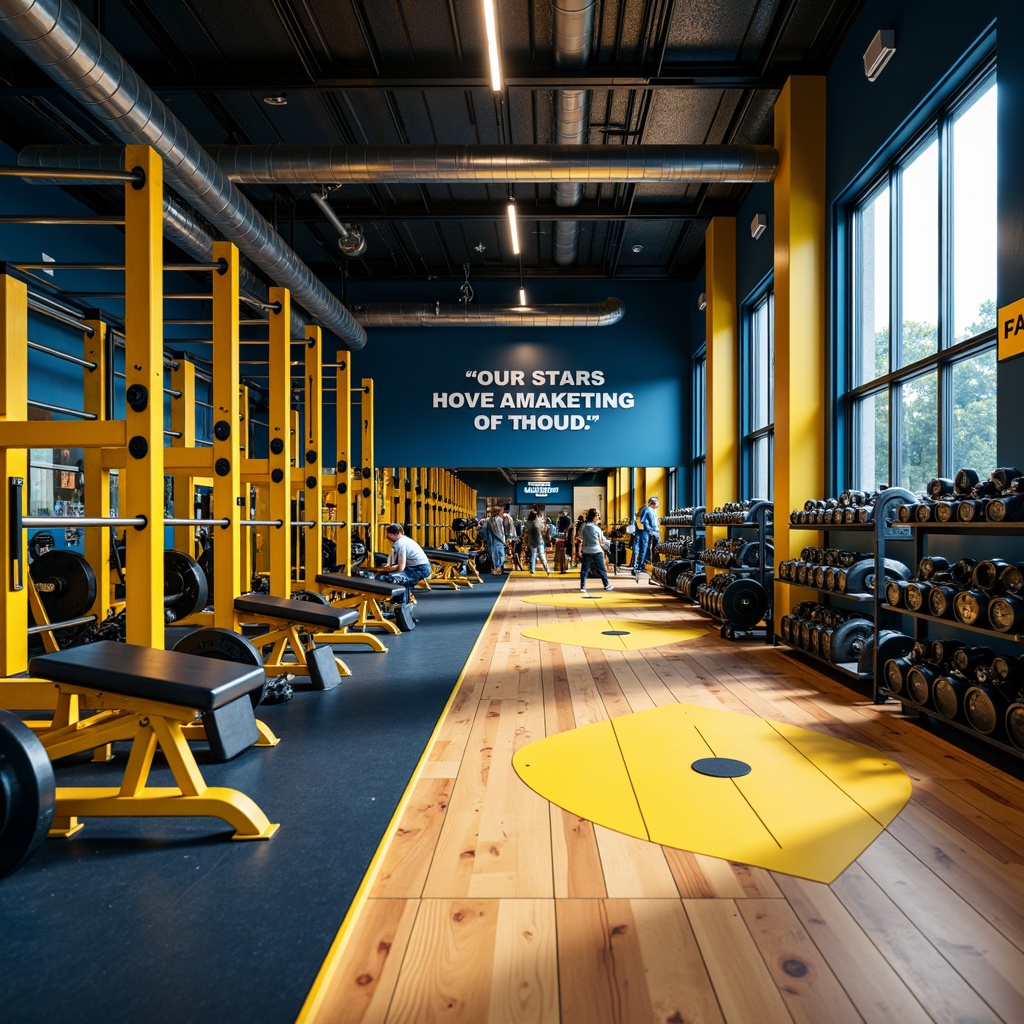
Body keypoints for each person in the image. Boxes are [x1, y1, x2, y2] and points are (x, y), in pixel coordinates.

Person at [365, 524, 432, 603]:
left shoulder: (401, 544)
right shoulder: (403, 540)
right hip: (417, 568)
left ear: (393, 534)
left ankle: (401, 604)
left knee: (390, 578)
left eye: (387, 534)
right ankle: (400, 602)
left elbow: (401, 568)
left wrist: (383, 570)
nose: (387, 536)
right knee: (394, 576)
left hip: (419, 569)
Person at [578, 508, 613, 595]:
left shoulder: (583, 527)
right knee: (601, 569)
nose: (598, 517)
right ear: (593, 517)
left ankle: (582, 587)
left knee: (584, 569)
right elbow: (601, 541)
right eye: (597, 516)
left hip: (586, 551)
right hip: (597, 551)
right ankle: (607, 585)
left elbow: (581, 537)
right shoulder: (597, 528)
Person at [631, 496, 661, 577]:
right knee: (642, 549)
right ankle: (639, 567)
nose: (656, 507)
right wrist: (652, 529)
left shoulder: (647, 510)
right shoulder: (648, 510)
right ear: (653, 504)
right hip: (644, 532)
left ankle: (639, 566)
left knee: (643, 549)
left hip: (645, 532)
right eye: (656, 505)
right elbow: (643, 521)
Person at [524, 510, 552, 575]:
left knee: (533, 555)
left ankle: (532, 569)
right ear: (535, 516)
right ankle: (547, 569)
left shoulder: (528, 523)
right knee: (542, 555)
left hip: (532, 541)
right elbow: (543, 528)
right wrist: (540, 520)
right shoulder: (536, 523)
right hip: (539, 540)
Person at [483, 507, 506, 574]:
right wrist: (485, 538)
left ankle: (497, 568)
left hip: (500, 541)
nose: (502, 514)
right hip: (493, 542)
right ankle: (496, 569)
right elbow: (483, 530)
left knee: (502, 557)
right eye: (501, 512)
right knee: (495, 556)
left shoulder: (500, 520)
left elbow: (502, 531)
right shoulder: (488, 521)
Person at [554, 508, 571, 572]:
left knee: (561, 551)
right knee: (564, 552)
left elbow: (557, 527)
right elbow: (568, 528)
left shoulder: (560, 519)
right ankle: (563, 566)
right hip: (565, 538)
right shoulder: (568, 519)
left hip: (561, 537)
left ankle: (561, 566)